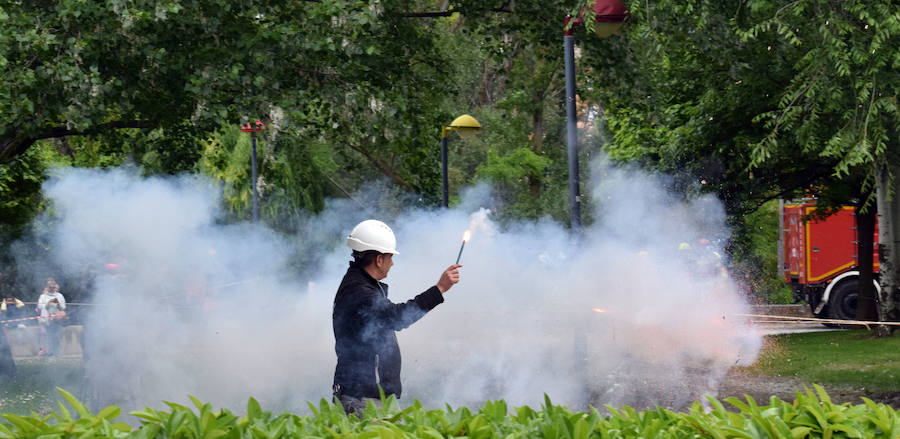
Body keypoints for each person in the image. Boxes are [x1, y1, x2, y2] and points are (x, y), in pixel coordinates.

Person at [332, 220, 461, 415]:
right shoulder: (360, 292)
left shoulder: (361, 285)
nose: (392, 263)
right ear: (379, 259)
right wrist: (439, 289)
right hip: (363, 399)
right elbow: (397, 317)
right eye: (390, 257)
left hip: (367, 396)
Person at [37, 278, 66, 356]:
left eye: (53, 287)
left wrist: (58, 304)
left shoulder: (60, 296)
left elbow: (63, 307)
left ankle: (56, 353)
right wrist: (48, 302)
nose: (52, 289)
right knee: (47, 336)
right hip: (46, 320)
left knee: (56, 336)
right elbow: (40, 307)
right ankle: (48, 352)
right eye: (50, 287)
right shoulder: (43, 296)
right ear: (47, 287)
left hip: (56, 320)